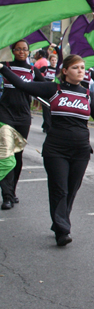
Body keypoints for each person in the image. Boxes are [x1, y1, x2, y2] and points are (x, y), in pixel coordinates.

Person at [0, 55, 94, 245]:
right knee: (60, 190)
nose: (81, 70)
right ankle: (62, 230)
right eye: (76, 67)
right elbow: (23, 85)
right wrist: (2, 68)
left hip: (81, 150)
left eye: (82, 67)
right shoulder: (53, 89)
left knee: (72, 190)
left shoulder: (87, 94)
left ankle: (60, 223)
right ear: (65, 71)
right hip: (56, 149)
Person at [0, 40, 46, 210]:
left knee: (17, 156)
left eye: (24, 49)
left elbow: (46, 89)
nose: (21, 52)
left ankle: (12, 191)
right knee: (6, 154)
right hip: (5, 113)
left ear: (29, 52)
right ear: (12, 50)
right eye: (17, 49)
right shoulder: (5, 66)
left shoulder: (32, 70)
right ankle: (6, 196)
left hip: (23, 117)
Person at [39, 52, 59, 134]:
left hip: (54, 91)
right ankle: (47, 126)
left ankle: (46, 124)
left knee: (52, 109)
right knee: (46, 108)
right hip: (46, 90)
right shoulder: (46, 68)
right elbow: (35, 71)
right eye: (52, 60)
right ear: (49, 61)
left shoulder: (58, 70)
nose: (54, 61)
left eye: (55, 60)